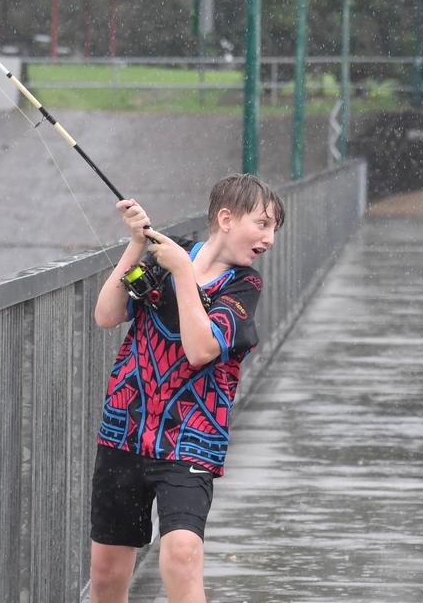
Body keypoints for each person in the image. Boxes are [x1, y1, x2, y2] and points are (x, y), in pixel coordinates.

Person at [88, 174, 284, 603]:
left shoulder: (243, 286)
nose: (269, 238)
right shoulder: (166, 255)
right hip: (125, 429)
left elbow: (200, 350)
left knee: (182, 552)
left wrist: (180, 272)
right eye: (263, 224)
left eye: (273, 229)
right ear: (227, 218)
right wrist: (137, 244)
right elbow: (106, 314)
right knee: (106, 573)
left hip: (191, 438)